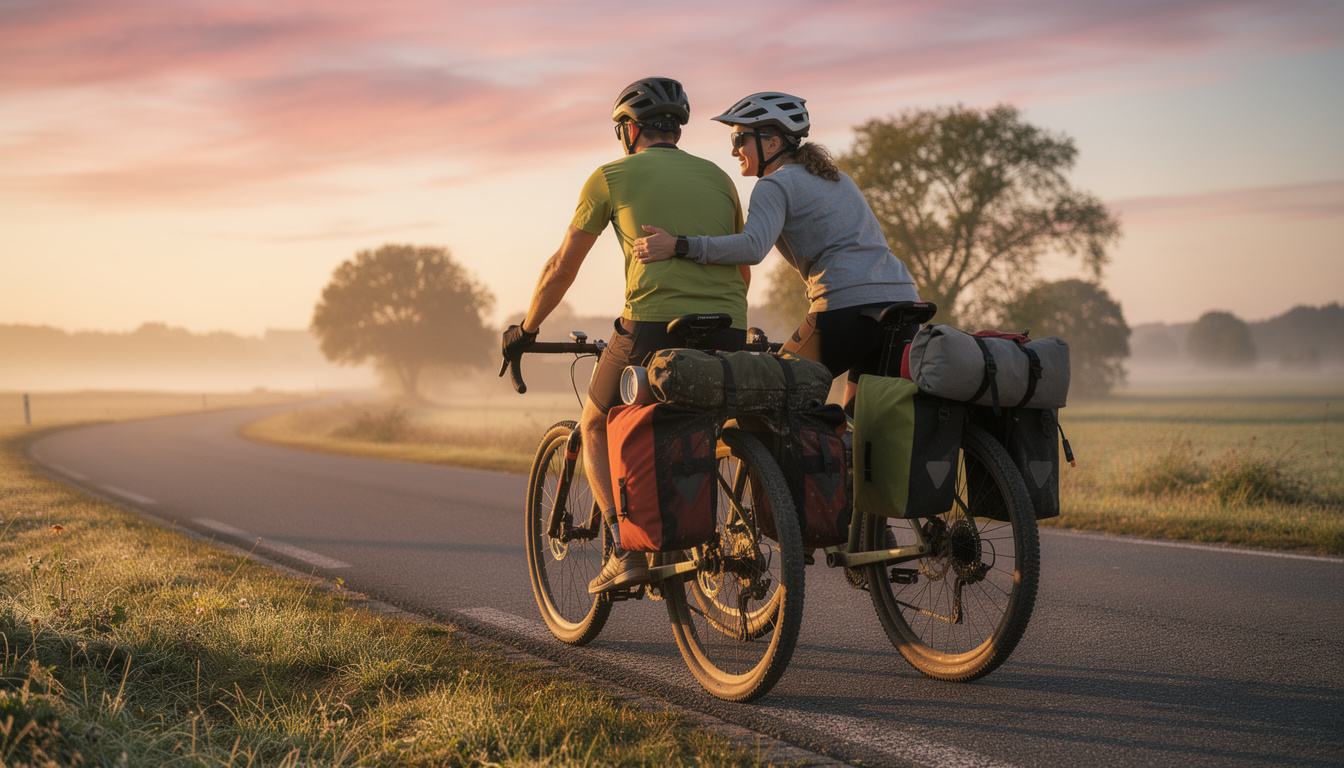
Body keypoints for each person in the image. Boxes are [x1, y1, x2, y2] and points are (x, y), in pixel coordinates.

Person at [501, 76, 751, 594]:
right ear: (675, 129)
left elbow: (562, 267)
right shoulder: (720, 178)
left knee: (595, 423)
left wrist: (527, 329)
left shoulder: (609, 177)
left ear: (629, 130)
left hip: (651, 326)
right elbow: (742, 271)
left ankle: (625, 550)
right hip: (728, 327)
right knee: (701, 421)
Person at [632, 92, 921, 411]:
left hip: (848, 308)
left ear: (772, 143)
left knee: (770, 391)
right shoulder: (838, 178)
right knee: (864, 420)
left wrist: (679, 245)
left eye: (739, 139)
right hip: (903, 304)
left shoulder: (774, 184)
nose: (734, 150)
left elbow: (752, 247)